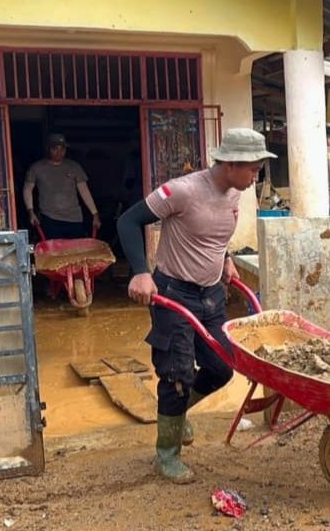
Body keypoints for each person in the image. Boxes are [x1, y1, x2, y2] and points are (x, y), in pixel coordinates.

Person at [117, 128, 276, 483]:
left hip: (210, 295)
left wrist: (226, 258)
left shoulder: (235, 192)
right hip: (174, 293)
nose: (257, 176)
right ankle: (166, 454)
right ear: (231, 163)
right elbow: (128, 221)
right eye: (253, 168)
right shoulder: (183, 191)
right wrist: (141, 273)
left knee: (221, 368)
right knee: (176, 375)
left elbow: (214, 237)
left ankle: (176, 415)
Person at [23, 133, 101, 239]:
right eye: (55, 149)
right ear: (49, 149)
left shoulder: (74, 167)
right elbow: (27, 190)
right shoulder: (37, 168)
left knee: (77, 252)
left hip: (74, 218)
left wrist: (95, 214)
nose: (59, 152)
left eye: (62, 149)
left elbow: (84, 191)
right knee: (55, 253)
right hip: (50, 218)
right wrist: (31, 212)